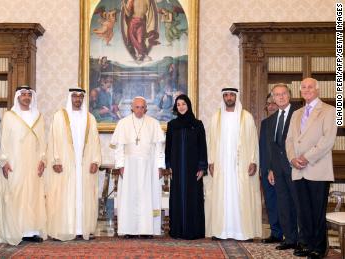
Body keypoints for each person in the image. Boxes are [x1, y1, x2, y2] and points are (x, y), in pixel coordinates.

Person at [286, 78, 337, 258]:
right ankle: (307, 243)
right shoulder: (296, 113)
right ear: (300, 91)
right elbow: (290, 140)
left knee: (317, 211)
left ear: (317, 90)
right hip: (298, 169)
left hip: (317, 168)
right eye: (304, 87)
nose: (306, 90)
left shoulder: (329, 111)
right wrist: (292, 158)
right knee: (304, 211)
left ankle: (319, 247)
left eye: (310, 87)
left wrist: (306, 157)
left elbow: (328, 140)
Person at [205, 88, 262, 241]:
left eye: (231, 95)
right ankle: (220, 231)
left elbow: (253, 142)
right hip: (221, 166)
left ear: (236, 97)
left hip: (240, 166)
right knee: (222, 196)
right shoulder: (216, 117)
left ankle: (243, 232)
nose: (229, 97)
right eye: (226, 95)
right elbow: (210, 142)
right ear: (222, 97)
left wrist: (253, 161)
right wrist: (210, 161)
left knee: (240, 196)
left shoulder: (247, 117)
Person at [45, 88, 102, 241]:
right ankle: (64, 228)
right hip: (65, 164)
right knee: (64, 195)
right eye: (75, 96)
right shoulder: (59, 117)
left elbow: (96, 141)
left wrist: (96, 161)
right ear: (70, 97)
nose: (78, 99)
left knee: (84, 195)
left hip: (84, 165)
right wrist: (55, 160)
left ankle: (83, 229)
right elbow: (53, 139)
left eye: (81, 96)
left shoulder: (90, 118)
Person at [0, 86, 47, 245]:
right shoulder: (9, 116)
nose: (26, 97)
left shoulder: (38, 116)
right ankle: (15, 231)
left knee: (33, 196)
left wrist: (43, 160)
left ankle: (31, 232)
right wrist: (4, 161)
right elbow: (2, 139)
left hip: (33, 163)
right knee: (15, 195)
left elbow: (42, 141)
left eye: (29, 95)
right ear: (17, 97)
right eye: (23, 94)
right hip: (15, 163)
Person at [111, 96, 165, 238]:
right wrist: (120, 165)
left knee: (148, 197)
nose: (139, 110)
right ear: (132, 108)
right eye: (137, 107)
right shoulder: (123, 123)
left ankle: (147, 230)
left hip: (149, 166)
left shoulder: (154, 123)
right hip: (129, 166)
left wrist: (160, 166)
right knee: (129, 197)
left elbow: (160, 148)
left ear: (146, 108)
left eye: (142, 107)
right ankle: (129, 230)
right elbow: (119, 147)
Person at [165, 94, 207, 240]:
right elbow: (168, 147)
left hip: (193, 169)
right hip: (176, 168)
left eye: (183, 104)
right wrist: (168, 165)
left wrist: (202, 167)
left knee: (193, 198)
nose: (181, 107)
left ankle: (193, 231)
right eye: (178, 104)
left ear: (188, 105)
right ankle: (177, 230)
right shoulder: (172, 125)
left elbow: (203, 147)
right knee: (177, 198)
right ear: (176, 107)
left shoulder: (197, 124)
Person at [266, 84, 301, 250]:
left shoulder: (299, 114)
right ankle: (290, 239)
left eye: (284, 94)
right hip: (279, 170)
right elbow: (273, 147)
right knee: (284, 205)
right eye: (277, 95)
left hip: (295, 168)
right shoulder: (272, 119)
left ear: (290, 95)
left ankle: (303, 240)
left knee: (298, 205)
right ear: (273, 98)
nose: (280, 97)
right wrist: (272, 169)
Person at [259, 93, 283, 244]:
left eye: (274, 102)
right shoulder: (265, 123)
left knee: (286, 204)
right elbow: (263, 148)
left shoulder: (288, 121)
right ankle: (276, 233)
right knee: (271, 203)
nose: (272, 106)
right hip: (267, 172)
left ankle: (291, 235)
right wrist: (264, 169)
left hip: (283, 171)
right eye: (269, 103)